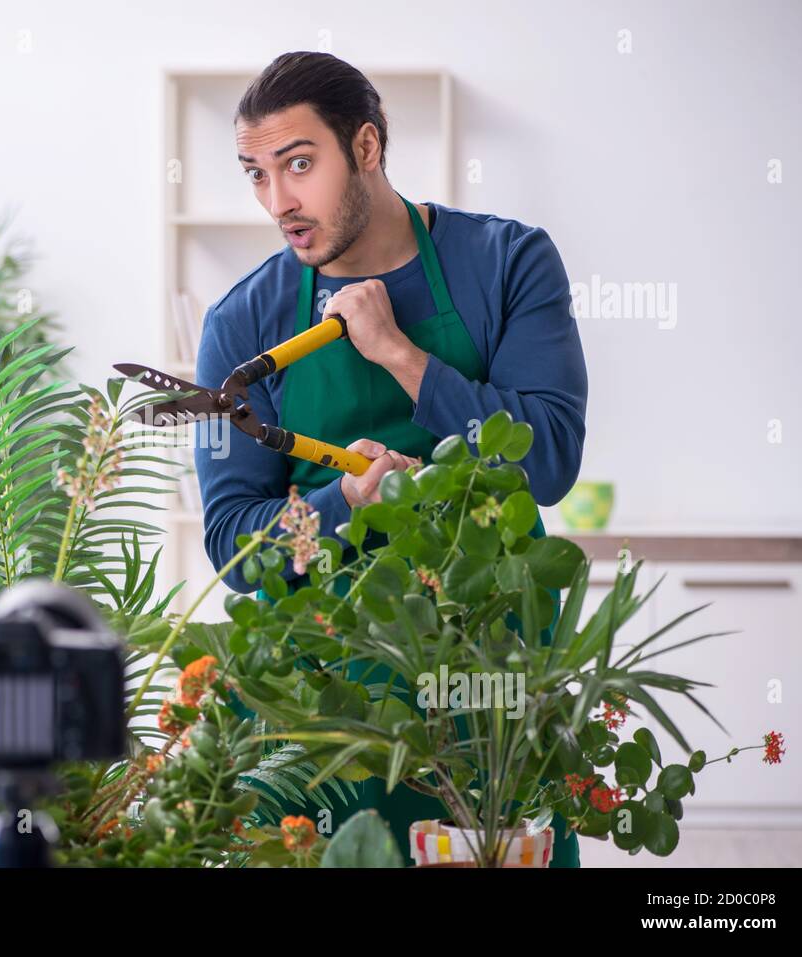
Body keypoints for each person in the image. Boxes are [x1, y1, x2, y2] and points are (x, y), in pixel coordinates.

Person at [192, 51, 589, 867]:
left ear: (366, 147)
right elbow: (235, 548)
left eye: (299, 164)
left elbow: (547, 459)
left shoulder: (509, 263)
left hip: (489, 679)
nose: (279, 202)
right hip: (321, 708)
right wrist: (346, 502)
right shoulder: (241, 325)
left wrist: (403, 356)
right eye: (256, 174)